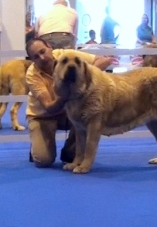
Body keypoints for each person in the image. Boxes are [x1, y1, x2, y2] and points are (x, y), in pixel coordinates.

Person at [25, 38, 112, 167]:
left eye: (43, 51)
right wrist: (66, 94)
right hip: (43, 117)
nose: (42, 58)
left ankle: (69, 151)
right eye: (36, 57)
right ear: (32, 60)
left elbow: (105, 60)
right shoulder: (32, 75)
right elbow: (49, 106)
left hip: (69, 113)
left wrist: (82, 74)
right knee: (43, 160)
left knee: (71, 154)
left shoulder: (66, 55)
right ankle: (36, 145)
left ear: (49, 47)